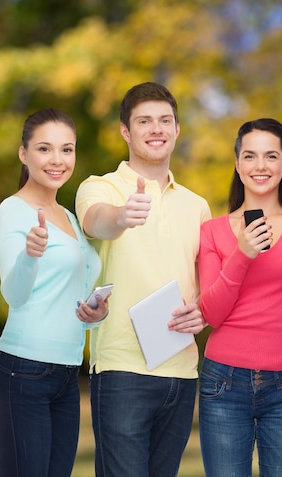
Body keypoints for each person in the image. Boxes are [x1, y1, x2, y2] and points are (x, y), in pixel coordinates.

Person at [75, 82, 211, 477]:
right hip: (122, 372)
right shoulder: (100, 187)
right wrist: (121, 216)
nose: (156, 129)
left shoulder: (196, 205)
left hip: (182, 373)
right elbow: (97, 220)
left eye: (165, 120)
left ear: (177, 129)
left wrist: (202, 313)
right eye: (144, 121)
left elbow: (206, 286)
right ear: (125, 131)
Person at [197, 118, 282, 477]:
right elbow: (212, 312)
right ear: (237, 164)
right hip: (223, 381)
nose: (260, 166)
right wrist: (243, 253)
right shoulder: (212, 231)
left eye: (271, 156)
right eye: (250, 156)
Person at [0, 109, 109, 477]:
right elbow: (16, 294)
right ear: (24, 154)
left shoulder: (69, 217)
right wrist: (29, 255)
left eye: (67, 149)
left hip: (66, 375)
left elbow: (63, 299)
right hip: (20, 373)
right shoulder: (13, 209)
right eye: (45, 148)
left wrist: (93, 314)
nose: (57, 160)